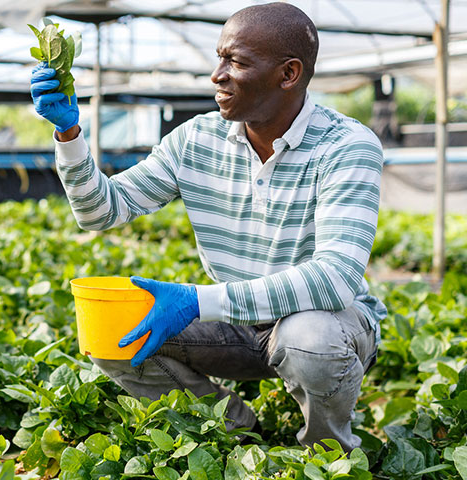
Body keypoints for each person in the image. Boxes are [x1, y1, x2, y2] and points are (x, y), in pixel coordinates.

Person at [30, 2, 387, 452]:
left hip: (326, 323)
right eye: (219, 58)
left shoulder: (347, 145)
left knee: (308, 338)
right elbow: (102, 211)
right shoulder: (196, 139)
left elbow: (334, 279)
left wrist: (196, 301)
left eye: (235, 61)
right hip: (237, 322)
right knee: (111, 331)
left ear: (289, 73)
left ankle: (325, 452)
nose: (217, 75)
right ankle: (236, 432)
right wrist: (69, 135)